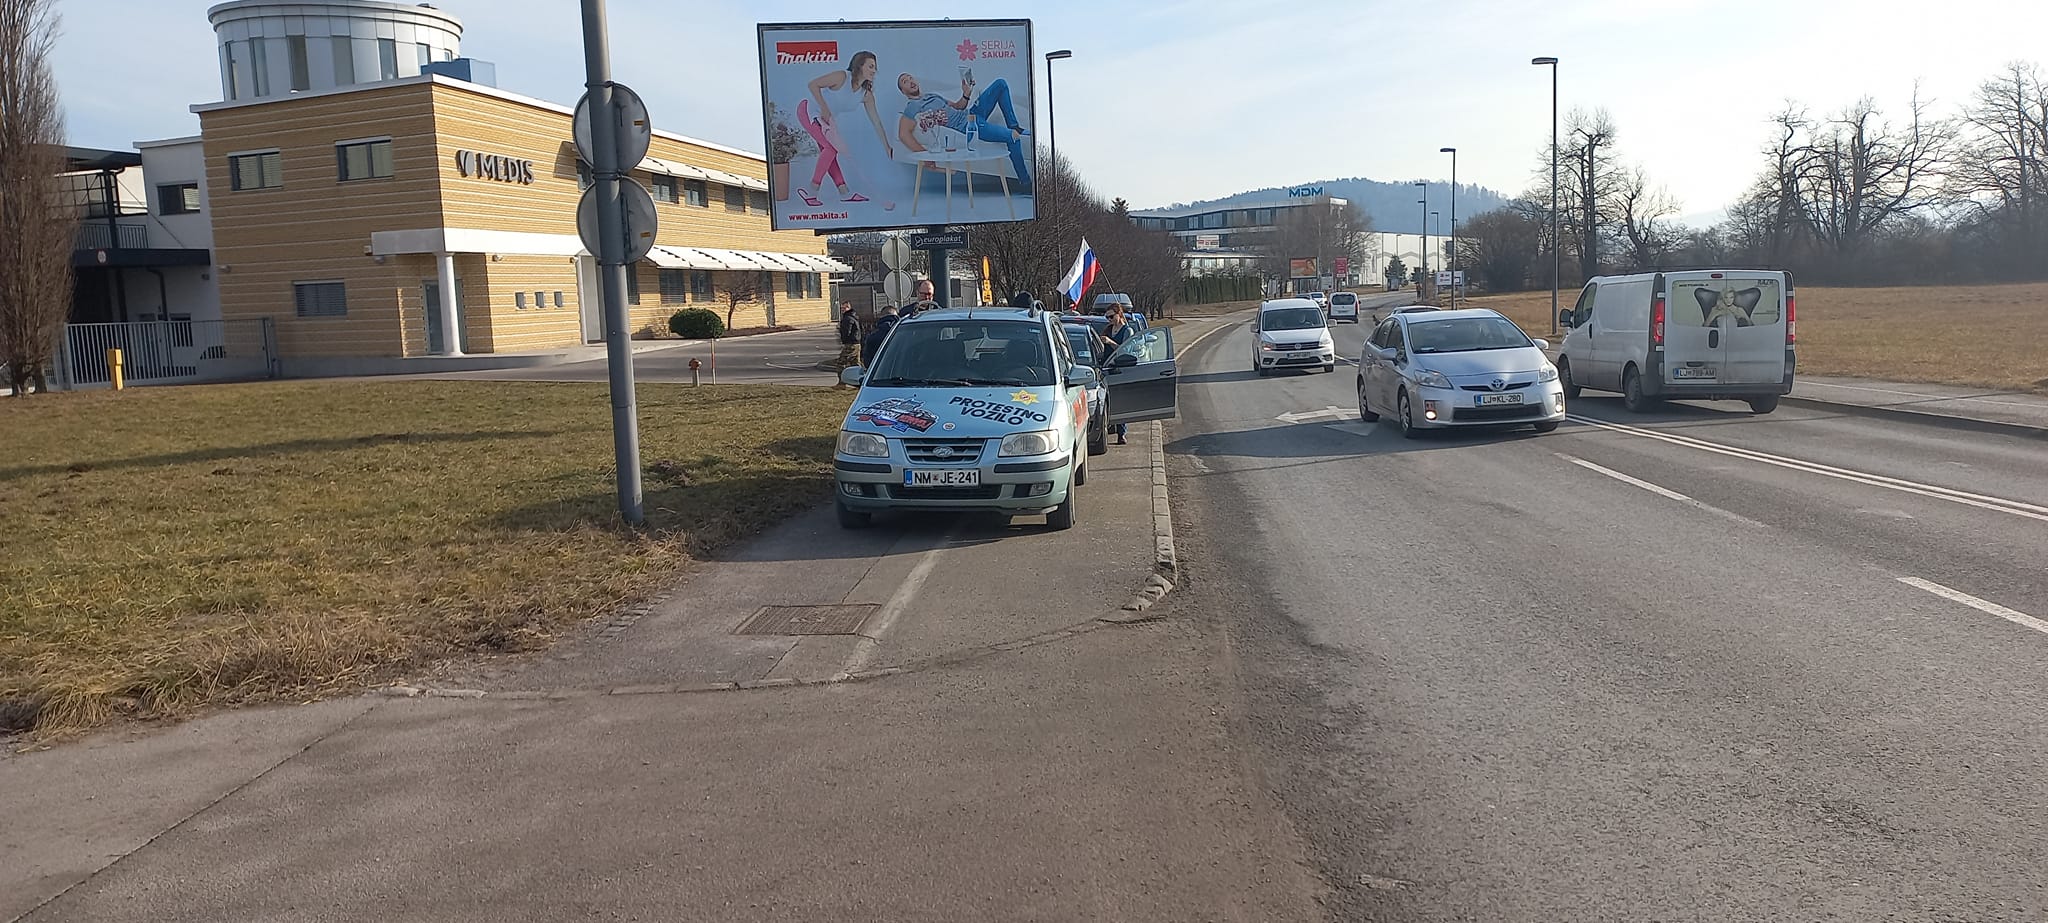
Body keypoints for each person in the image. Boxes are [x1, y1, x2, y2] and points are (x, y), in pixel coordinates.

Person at [895, 72, 1033, 193]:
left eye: (910, 78)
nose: (910, 81)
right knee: (1012, 137)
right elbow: (903, 134)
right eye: (905, 82)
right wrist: (924, 156)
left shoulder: (933, 96)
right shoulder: (912, 107)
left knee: (1000, 84)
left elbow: (958, 106)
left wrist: (966, 94)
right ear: (903, 91)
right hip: (970, 126)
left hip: (972, 113)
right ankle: (1025, 182)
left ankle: (1015, 125)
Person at [798, 51, 896, 210]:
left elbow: (876, 122)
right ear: (859, 66)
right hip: (809, 111)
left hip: (827, 120)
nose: (874, 71)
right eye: (871, 66)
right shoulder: (842, 77)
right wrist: (823, 107)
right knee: (830, 149)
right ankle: (811, 191)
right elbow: (813, 84)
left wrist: (887, 147)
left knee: (829, 152)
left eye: (875, 68)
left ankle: (844, 193)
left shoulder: (866, 94)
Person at [1102, 306, 1136, 444]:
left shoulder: (1127, 330)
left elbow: (1125, 350)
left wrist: (1110, 342)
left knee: (1120, 401)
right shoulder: (1108, 330)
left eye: (1111, 316)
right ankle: (1109, 426)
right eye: (1107, 317)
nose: (1109, 320)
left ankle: (1121, 433)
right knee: (1108, 401)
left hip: (1121, 368)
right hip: (1106, 368)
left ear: (1119, 314)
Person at [835, 301, 863, 372]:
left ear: (848, 308)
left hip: (850, 344)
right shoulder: (855, 317)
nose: (842, 310)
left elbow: (846, 331)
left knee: (841, 363)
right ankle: (859, 379)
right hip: (857, 343)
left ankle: (842, 381)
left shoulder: (847, 318)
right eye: (841, 308)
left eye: (844, 308)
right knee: (855, 363)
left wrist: (844, 340)